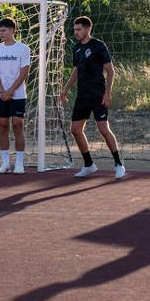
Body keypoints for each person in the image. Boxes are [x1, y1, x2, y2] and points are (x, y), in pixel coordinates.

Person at [59, 16, 125, 179]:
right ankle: (89, 164)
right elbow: (76, 71)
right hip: (82, 95)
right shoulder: (76, 48)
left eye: (78, 29)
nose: (75, 32)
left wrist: (108, 92)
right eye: (74, 29)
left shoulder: (98, 46)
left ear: (88, 29)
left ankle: (118, 164)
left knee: (103, 128)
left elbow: (110, 71)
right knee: (75, 129)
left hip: (98, 94)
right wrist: (66, 89)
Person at [0, 18, 31, 174]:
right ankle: (5, 162)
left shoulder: (23, 49)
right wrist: (2, 90)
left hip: (17, 93)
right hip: (0, 93)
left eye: (4, 30)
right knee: (3, 125)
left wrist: (11, 90)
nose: (1, 34)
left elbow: (24, 72)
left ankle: (19, 163)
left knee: (18, 124)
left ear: (13, 30)